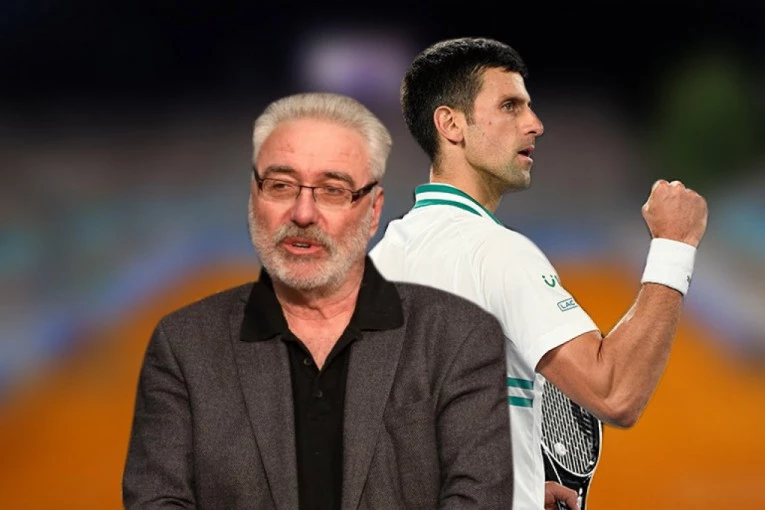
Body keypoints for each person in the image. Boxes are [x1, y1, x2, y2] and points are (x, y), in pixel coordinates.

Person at [123, 92, 514, 509]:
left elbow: (479, 498)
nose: (303, 214)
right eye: (280, 186)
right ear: (254, 197)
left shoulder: (460, 338)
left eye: (332, 190)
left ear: (374, 211)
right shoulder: (183, 346)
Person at [370, 37, 708, 510]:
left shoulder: (383, 258)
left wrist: (518, 486)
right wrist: (674, 245)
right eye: (510, 106)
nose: (535, 124)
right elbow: (614, 393)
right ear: (450, 124)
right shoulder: (495, 252)